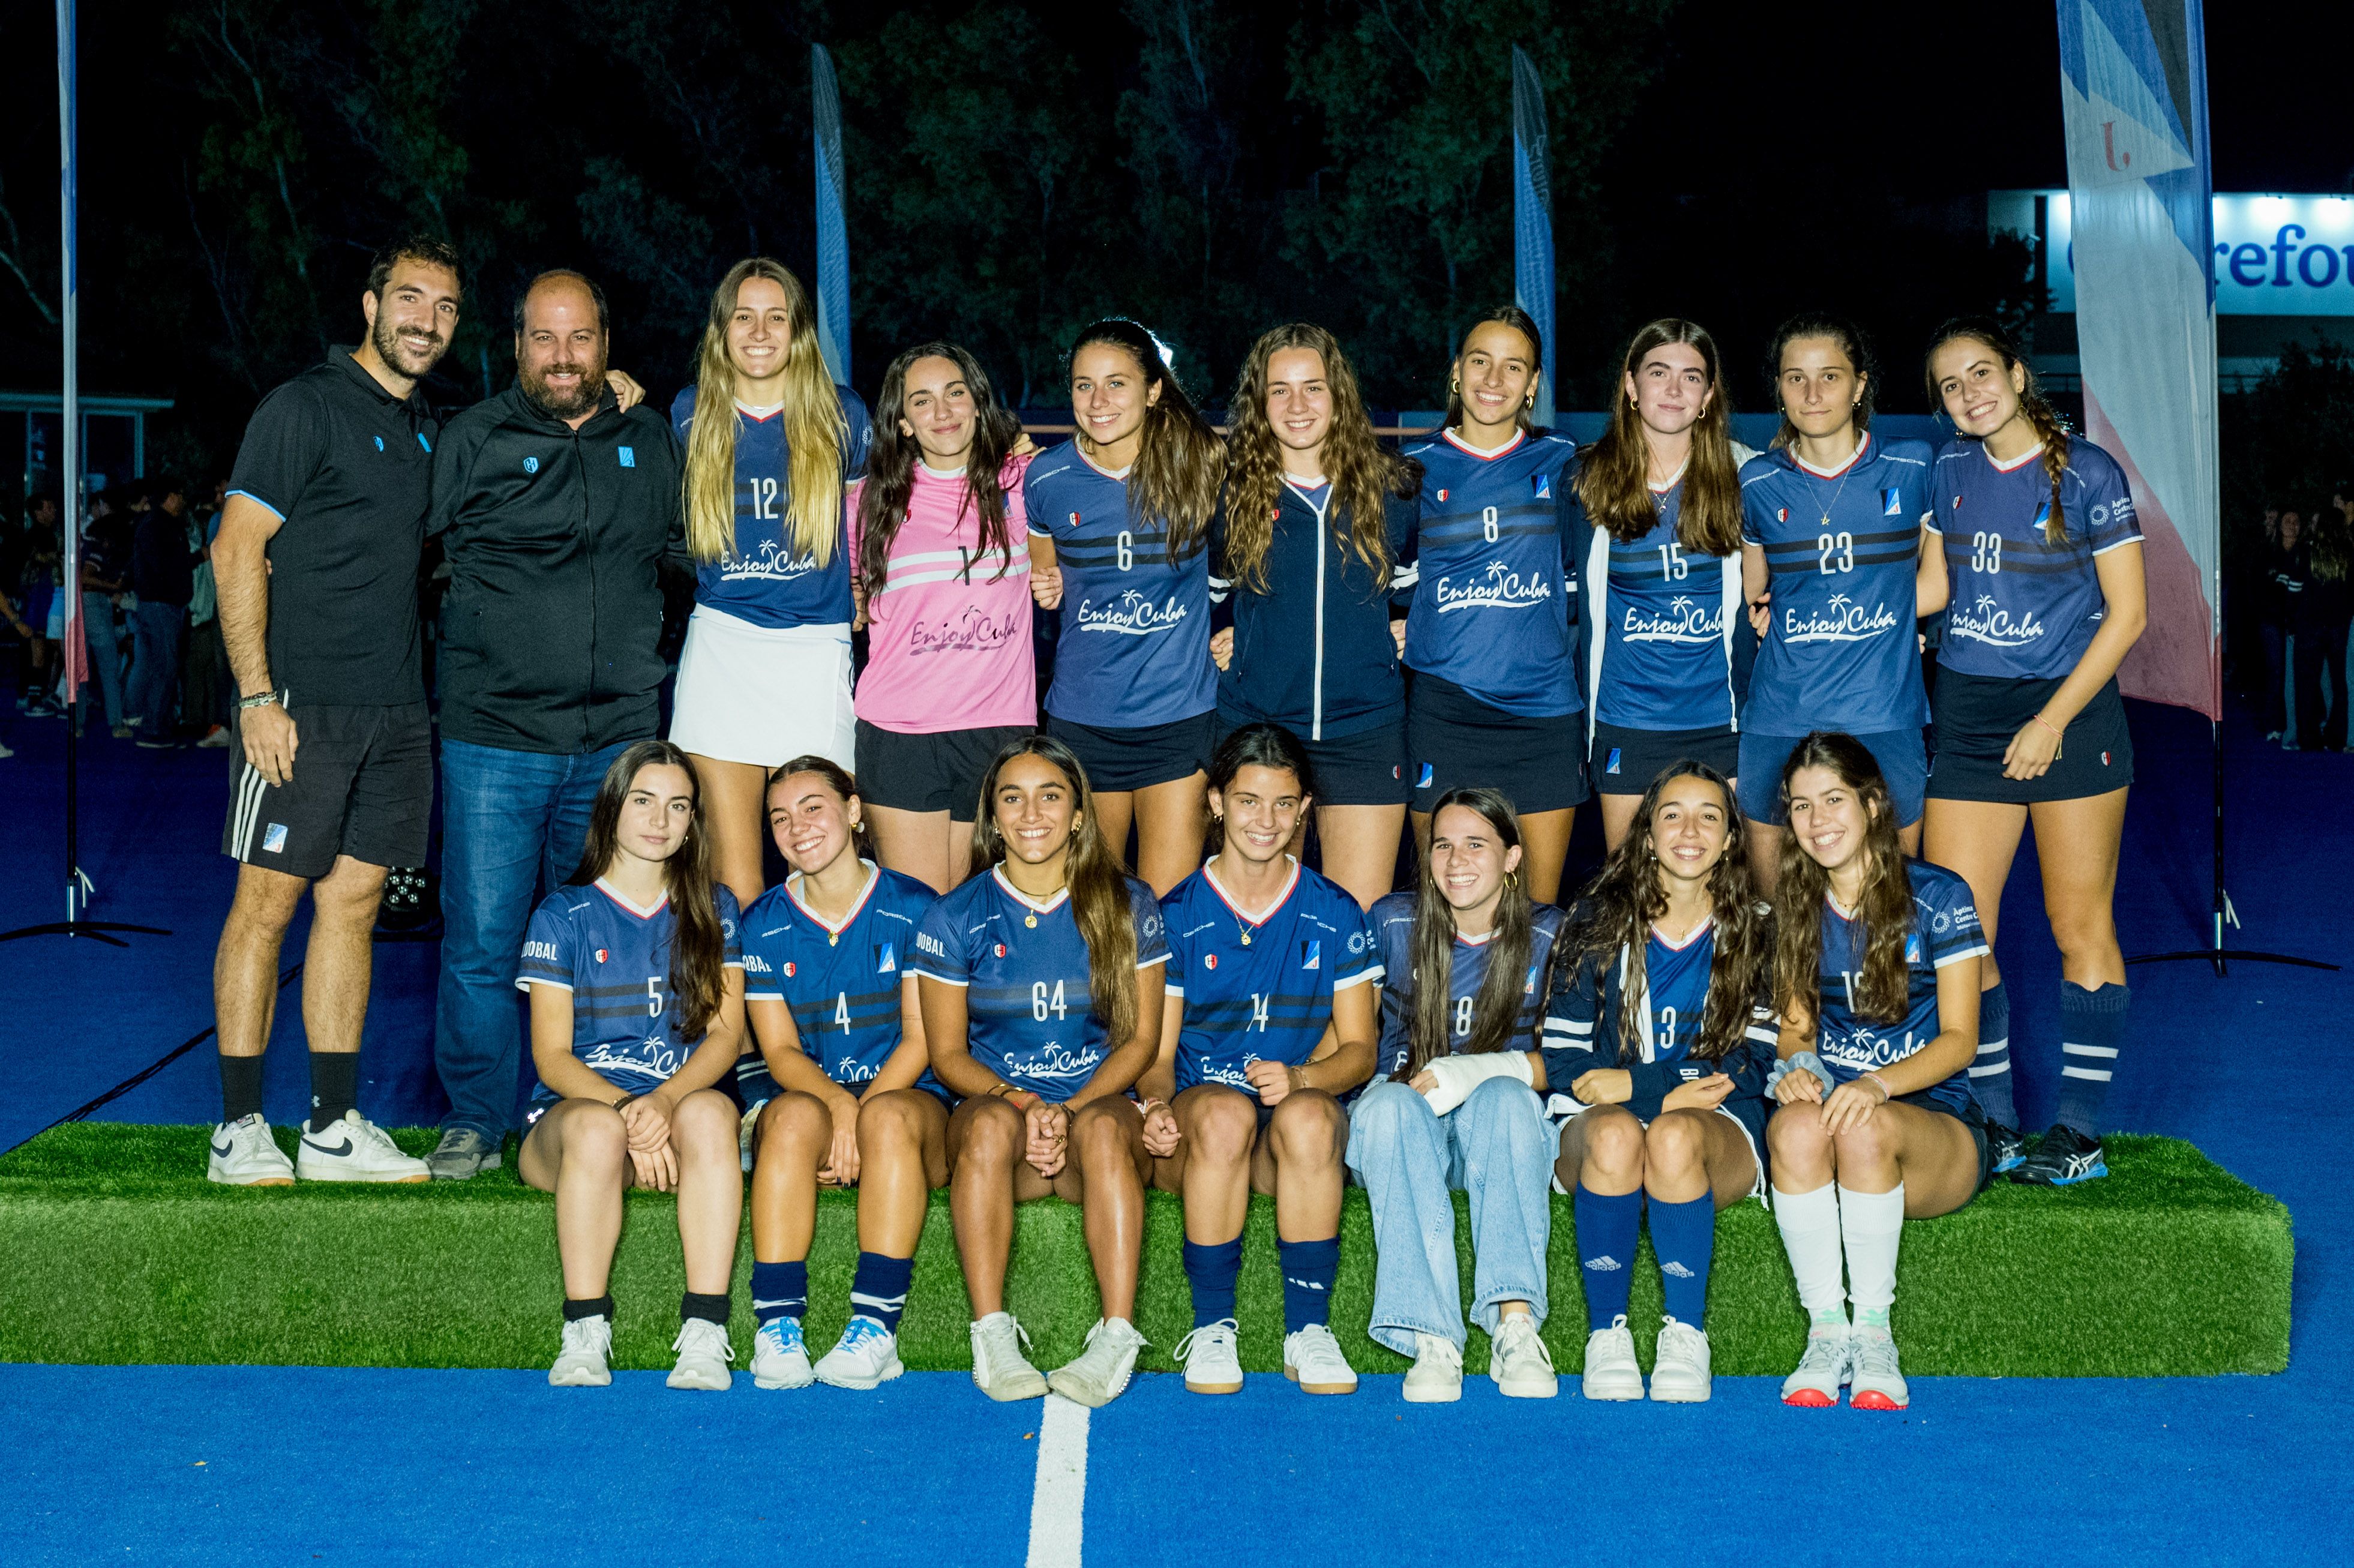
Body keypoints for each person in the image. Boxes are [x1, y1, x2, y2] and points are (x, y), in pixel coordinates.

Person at [203, 237, 465, 1186]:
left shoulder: (428, 429)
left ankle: (329, 1125)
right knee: (264, 906)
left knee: (352, 906)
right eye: (409, 299)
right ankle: (238, 1130)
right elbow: (235, 550)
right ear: (369, 305)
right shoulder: (302, 408)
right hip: (300, 710)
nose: (425, 321)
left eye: (442, 307)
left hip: (396, 715)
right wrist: (257, 699)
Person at [425, 269, 684, 1182]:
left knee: (601, 937)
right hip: (493, 738)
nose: (563, 356)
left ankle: (581, 1107)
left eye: (580, 339)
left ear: (605, 347)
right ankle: (476, 1115)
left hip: (614, 742)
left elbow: (688, 553)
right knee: (485, 940)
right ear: (516, 345)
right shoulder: (473, 437)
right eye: (545, 338)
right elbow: (408, 554)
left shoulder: (648, 438)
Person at [1917, 319, 2148, 1184]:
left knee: (2075, 921)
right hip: (1971, 713)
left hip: (2070, 715)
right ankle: (1998, 1122)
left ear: (2016, 374)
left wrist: (2051, 718)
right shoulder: (1946, 470)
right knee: (1959, 932)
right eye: (1948, 384)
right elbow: (1935, 588)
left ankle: (2077, 1133)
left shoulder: (2085, 471)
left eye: (1981, 372)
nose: (1969, 392)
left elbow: (2127, 616)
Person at [908, 735, 1171, 1407]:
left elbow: (1140, 1041)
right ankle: (991, 1335)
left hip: (1093, 1111)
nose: (1032, 814)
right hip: (1002, 1116)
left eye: (1050, 796)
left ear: (1079, 814)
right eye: (1012, 798)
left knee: (1110, 1133)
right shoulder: (955, 914)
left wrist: (1074, 1108)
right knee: (990, 1129)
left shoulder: (1128, 902)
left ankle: (1116, 1337)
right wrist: (1023, 1103)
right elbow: (946, 1055)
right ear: (992, 818)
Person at [1140, 722, 1382, 1396]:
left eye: (1282, 804)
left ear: (1305, 808)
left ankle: (1308, 1331)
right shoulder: (1179, 912)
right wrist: (1155, 1104)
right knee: (1219, 1114)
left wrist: (1303, 1076)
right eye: (1248, 801)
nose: (1265, 820)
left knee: (1308, 1118)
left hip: (1284, 1135)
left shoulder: (1335, 912)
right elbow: (1157, 1056)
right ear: (1216, 802)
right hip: (1203, 1129)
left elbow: (1359, 1050)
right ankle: (1213, 1327)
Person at [1764, 733, 1989, 1412]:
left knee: (1861, 1126)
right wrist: (1797, 1068)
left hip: (1932, 1131)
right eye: (1801, 807)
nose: (1817, 821)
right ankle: (1825, 1334)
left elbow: (1959, 1040)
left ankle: (1873, 1335)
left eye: (1833, 800)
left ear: (1871, 803)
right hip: (1839, 1123)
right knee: (1793, 1128)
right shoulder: (1796, 903)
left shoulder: (1938, 893)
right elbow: (1794, 1033)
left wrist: (1875, 1083)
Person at [1540, 762, 1777, 1404]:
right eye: (1671, 813)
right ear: (1645, 833)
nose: (1689, 829)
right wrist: (1648, 1092)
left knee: (1670, 1135)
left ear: (1730, 838)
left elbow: (1749, 1064)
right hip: (1600, 1128)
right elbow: (1563, 1062)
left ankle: (1684, 1333)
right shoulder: (1593, 921)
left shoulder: (1758, 928)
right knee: (1617, 1136)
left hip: (1710, 1129)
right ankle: (1605, 1334)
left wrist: (1645, 1088)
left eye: (1709, 815)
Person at [516, 740, 748, 1390]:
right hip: (577, 1123)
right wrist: (625, 1108)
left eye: (678, 806)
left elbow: (727, 1038)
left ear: (693, 820)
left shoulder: (714, 907)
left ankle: (706, 1330)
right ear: (612, 809)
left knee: (710, 1113)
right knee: (597, 1130)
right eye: (643, 801)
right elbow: (551, 1056)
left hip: (672, 1109)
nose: (659, 819)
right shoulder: (563, 914)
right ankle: (585, 1330)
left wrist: (665, 1101)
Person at [668, 259, 872, 912]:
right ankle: (740, 1019)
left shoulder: (841, 415)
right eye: (742, 317)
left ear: (799, 331)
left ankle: (822, 1013)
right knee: (734, 879)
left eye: (776, 317)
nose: (759, 332)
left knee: (823, 864)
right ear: (720, 330)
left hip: (813, 651)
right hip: (723, 649)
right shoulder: (689, 412)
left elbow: (864, 513)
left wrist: (863, 579)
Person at [1350, 786, 1565, 1402]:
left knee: (1501, 1094)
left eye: (1476, 844)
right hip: (1403, 1124)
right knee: (1388, 1105)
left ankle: (1514, 1323)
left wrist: (1468, 1073)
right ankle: (1432, 1337)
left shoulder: (1549, 933)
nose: (1456, 860)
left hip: (1498, 1131)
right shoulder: (1391, 920)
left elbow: (1575, 1062)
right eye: (1442, 845)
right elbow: (1353, 1041)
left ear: (1512, 858)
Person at [737, 757, 943, 1391]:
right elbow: (780, 1054)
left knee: (885, 1114)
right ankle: (776, 1327)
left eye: (813, 807)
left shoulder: (913, 906)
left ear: (853, 813)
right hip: (817, 1100)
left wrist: (862, 1109)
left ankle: (875, 1327)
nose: (796, 827)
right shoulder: (764, 923)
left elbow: (921, 1039)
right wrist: (838, 1108)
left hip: (910, 1103)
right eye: (779, 817)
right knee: (791, 1114)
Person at [1208, 324, 1420, 909]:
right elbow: (1198, 595)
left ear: (1339, 396)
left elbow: (1424, 589)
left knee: (1356, 929)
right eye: (1279, 390)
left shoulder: (1391, 490)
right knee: (1261, 922)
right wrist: (1216, 635)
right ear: (1259, 402)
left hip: (1366, 734)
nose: (1297, 406)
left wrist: (1413, 625)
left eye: (1312, 388)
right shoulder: (1230, 495)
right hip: (1261, 730)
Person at [1026, 319, 1224, 897]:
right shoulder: (1047, 477)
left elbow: (1241, 567)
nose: (1098, 400)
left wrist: (1234, 625)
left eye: (1117, 383)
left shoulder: (1201, 466)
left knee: (1167, 911)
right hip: (1085, 720)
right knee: (1098, 911)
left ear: (1154, 389)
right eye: (1083, 385)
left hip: (1179, 718)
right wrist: (1045, 585)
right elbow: (1045, 570)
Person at [1738, 314, 1934, 891]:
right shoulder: (1756, 480)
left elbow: (1939, 582)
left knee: (1888, 902)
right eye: (1794, 378)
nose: (1812, 392)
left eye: (1830, 376)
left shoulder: (1914, 465)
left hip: (1885, 716)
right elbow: (1757, 592)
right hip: (1780, 715)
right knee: (1776, 907)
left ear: (1860, 384)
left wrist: (1900, 622)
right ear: (1778, 388)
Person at [1399, 307, 1587, 903]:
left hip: (1543, 716)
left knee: (1534, 913)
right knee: (1443, 905)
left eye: (1514, 367)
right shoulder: (1412, 470)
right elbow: (1375, 579)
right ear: (1456, 372)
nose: (1493, 379)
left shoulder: (1564, 463)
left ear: (1532, 384)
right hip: (1444, 713)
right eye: (1479, 361)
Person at [850, 342, 1036, 892]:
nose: (943, 412)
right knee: (919, 923)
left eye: (955, 393)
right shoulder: (867, 501)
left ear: (978, 402)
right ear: (903, 422)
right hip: (900, 734)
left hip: (998, 729)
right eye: (922, 401)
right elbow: (839, 588)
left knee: (982, 919)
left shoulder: (1026, 482)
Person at [1568, 319, 1756, 850]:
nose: (1673, 389)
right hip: (1624, 721)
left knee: (1725, 896)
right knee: (1631, 892)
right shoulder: (1585, 479)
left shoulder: (1747, 475)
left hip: (1721, 721)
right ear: (1631, 385)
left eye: (1691, 376)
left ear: (1708, 394)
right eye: (1658, 372)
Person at [128, 478, 196, 748]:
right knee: (165, 667)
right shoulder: (159, 527)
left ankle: (151, 721)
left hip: (155, 604)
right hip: (161, 605)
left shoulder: (155, 525)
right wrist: (198, 557)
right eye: (179, 493)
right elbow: (167, 566)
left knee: (153, 664)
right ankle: (154, 729)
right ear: (169, 497)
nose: (183, 500)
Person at [2293, 502, 2352, 752]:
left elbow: (2296, 589)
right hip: (2339, 628)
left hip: (2310, 627)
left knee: (2307, 683)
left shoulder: (2308, 551)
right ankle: (2337, 737)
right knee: (2340, 684)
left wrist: (2293, 621)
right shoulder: (2349, 552)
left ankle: (2309, 737)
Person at [79, 491, 132, 739]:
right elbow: (86, 577)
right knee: (108, 664)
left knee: (81, 666)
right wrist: (113, 586)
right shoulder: (100, 546)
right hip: (95, 603)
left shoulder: (86, 541)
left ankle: (77, 723)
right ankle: (116, 723)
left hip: (81, 605)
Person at [2257, 507, 2303, 743]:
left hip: (2296, 623)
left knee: (2293, 674)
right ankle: (2273, 724)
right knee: (2276, 672)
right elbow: (2262, 587)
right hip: (2272, 621)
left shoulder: (2302, 553)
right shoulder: (2270, 552)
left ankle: (2292, 725)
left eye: (2296, 521)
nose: (2292, 525)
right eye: (2288, 521)